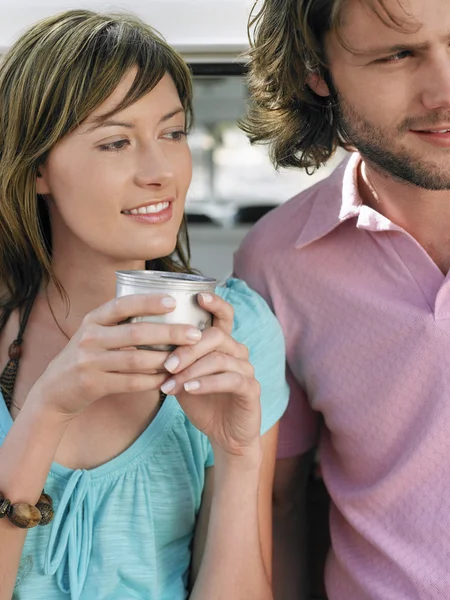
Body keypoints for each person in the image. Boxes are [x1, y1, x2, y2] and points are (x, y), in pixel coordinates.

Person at [0, 10, 289, 600]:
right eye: (115, 142)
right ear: (35, 170)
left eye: (173, 133)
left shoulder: (239, 329)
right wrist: (47, 410)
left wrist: (237, 458)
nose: (160, 172)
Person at [234, 0, 450, 598]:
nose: (443, 89)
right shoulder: (275, 263)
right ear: (316, 70)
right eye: (398, 53)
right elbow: (278, 505)